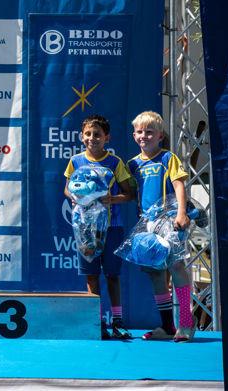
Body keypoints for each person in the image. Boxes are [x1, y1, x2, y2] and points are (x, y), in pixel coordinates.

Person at [63, 114, 135, 340]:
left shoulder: (115, 162)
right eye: (88, 134)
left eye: (97, 134)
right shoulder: (75, 161)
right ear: (81, 136)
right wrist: (75, 196)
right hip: (85, 229)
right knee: (91, 275)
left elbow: (130, 194)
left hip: (111, 227)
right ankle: (97, 322)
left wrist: (111, 199)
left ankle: (117, 322)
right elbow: (67, 188)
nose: (92, 138)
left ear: (107, 138)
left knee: (112, 275)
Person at [126, 110, 195, 343]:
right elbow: (129, 193)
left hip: (171, 219)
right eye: (139, 132)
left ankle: (186, 322)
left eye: (149, 132)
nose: (144, 136)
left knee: (176, 266)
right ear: (134, 135)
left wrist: (182, 213)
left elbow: (179, 185)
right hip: (147, 224)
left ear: (160, 136)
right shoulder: (132, 164)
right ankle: (167, 326)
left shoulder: (168, 158)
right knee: (156, 272)